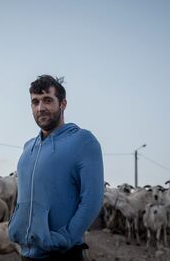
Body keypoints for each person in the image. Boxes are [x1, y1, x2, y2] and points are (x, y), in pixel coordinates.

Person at [8, 75, 104, 260]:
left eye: (47, 100)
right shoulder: (28, 147)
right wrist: (14, 225)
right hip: (26, 253)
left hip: (62, 254)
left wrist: (66, 238)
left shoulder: (83, 141)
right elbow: (22, 196)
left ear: (63, 104)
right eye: (35, 102)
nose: (40, 107)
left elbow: (92, 199)